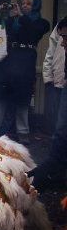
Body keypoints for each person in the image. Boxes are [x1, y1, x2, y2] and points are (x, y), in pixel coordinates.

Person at [0, 0, 49, 141]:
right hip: (7, 60)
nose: (24, 6)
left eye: (28, 4)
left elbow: (33, 33)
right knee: (2, 96)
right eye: (22, 3)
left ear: (35, 6)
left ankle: (23, 131)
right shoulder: (13, 20)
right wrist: (0, 14)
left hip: (25, 61)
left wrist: (21, 17)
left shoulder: (42, 22)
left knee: (23, 97)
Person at [30, 18, 67, 188]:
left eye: (66, 38)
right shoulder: (61, 29)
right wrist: (49, 77)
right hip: (60, 83)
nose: (63, 43)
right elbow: (51, 54)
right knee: (60, 129)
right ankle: (55, 167)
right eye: (62, 38)